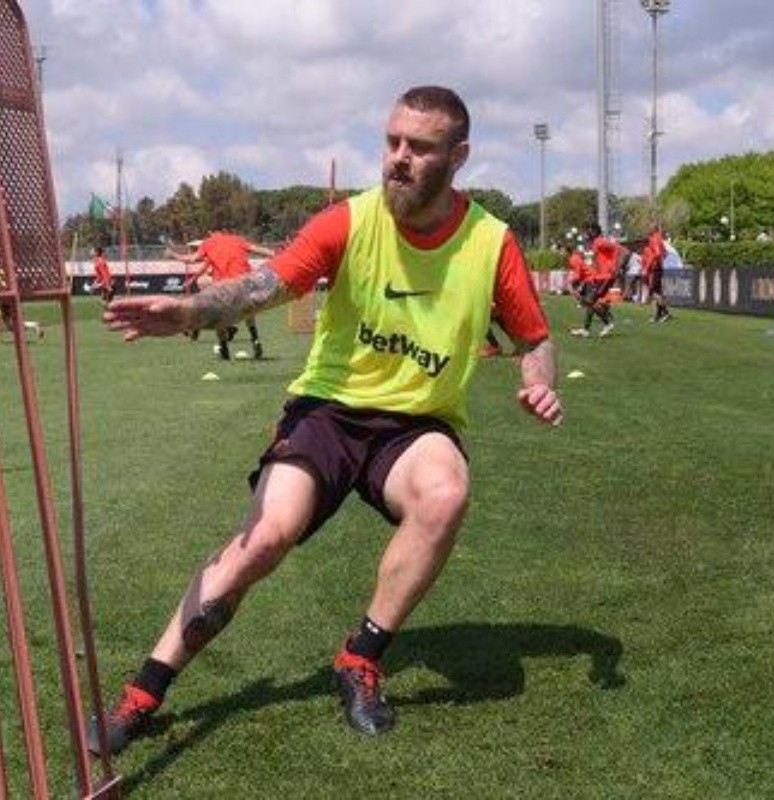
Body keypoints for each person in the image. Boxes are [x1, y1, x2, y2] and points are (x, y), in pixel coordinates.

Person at [89, 85, 563, 755]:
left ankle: (360, 658)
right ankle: (142, 694)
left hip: (415, 426)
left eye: (419, 148)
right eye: (392, 141)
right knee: (263, 540)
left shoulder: (491, 241)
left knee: (446, 490)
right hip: (328, 413)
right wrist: (192, 311)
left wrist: (538, 383)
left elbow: (533, 338)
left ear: (458, 157)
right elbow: (268, 284)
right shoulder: (349, 220)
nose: (398, 158)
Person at [168, 231, 275, 360]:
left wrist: (173, 255)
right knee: (249, 312)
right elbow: (258, 249)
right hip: (244, 281)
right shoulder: (237, 239)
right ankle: (255, 339)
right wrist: (276, 254)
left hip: (223, 286)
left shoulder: (208, 243)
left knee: (220, 318)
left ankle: (224, 349)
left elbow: (192, 259)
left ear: (211, 234)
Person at [569, 224, 622, 338]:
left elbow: (617, 248)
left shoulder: (599, 241)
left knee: (590, 301)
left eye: (590, 231)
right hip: (599, 277)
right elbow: (598, 261)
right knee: (590, 302)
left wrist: (614, 265)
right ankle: (586, 329)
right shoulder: (595, 243)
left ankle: (608, 322)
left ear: (595, 231)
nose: (588, 233)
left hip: (606, 276)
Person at [643, 224, 672, 323]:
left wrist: (651, 263)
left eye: (648, 227)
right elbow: (665, 253)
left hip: (655, 268)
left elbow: (658, 253)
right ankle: (657, 315)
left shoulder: (654, 239)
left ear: (653, 229)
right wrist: (660, 261)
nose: (647, 229)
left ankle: (666, 313)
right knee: (658, 292)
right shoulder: (659, 239)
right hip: (659, 267)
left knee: (653, 292)